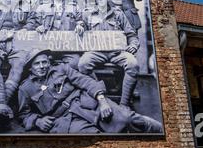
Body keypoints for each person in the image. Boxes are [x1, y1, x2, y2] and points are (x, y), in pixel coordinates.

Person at [18, 49, 162, 134]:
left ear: (49, 63)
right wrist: (38, 121)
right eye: (37, 64)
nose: (42, 66)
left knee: (127, 119)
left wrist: (102, 101)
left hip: (87, 102)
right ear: (30, 68)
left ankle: (162, 130)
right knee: (96, 139)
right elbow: (23, 115)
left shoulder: (61, 69)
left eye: (45, 62)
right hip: (65, 120)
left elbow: (86, 81)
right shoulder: (25, 88)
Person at [78, 0, 140, 108]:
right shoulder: (88, 14)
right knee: (83, 64)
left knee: (133, 64)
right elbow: (80, 24)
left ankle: (124, 104)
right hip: (97, 52)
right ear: (95, 0)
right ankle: (101, 96)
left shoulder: (118, 13)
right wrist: (79, 26)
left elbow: (131, 34)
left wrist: (133, 45)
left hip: (117, 52)